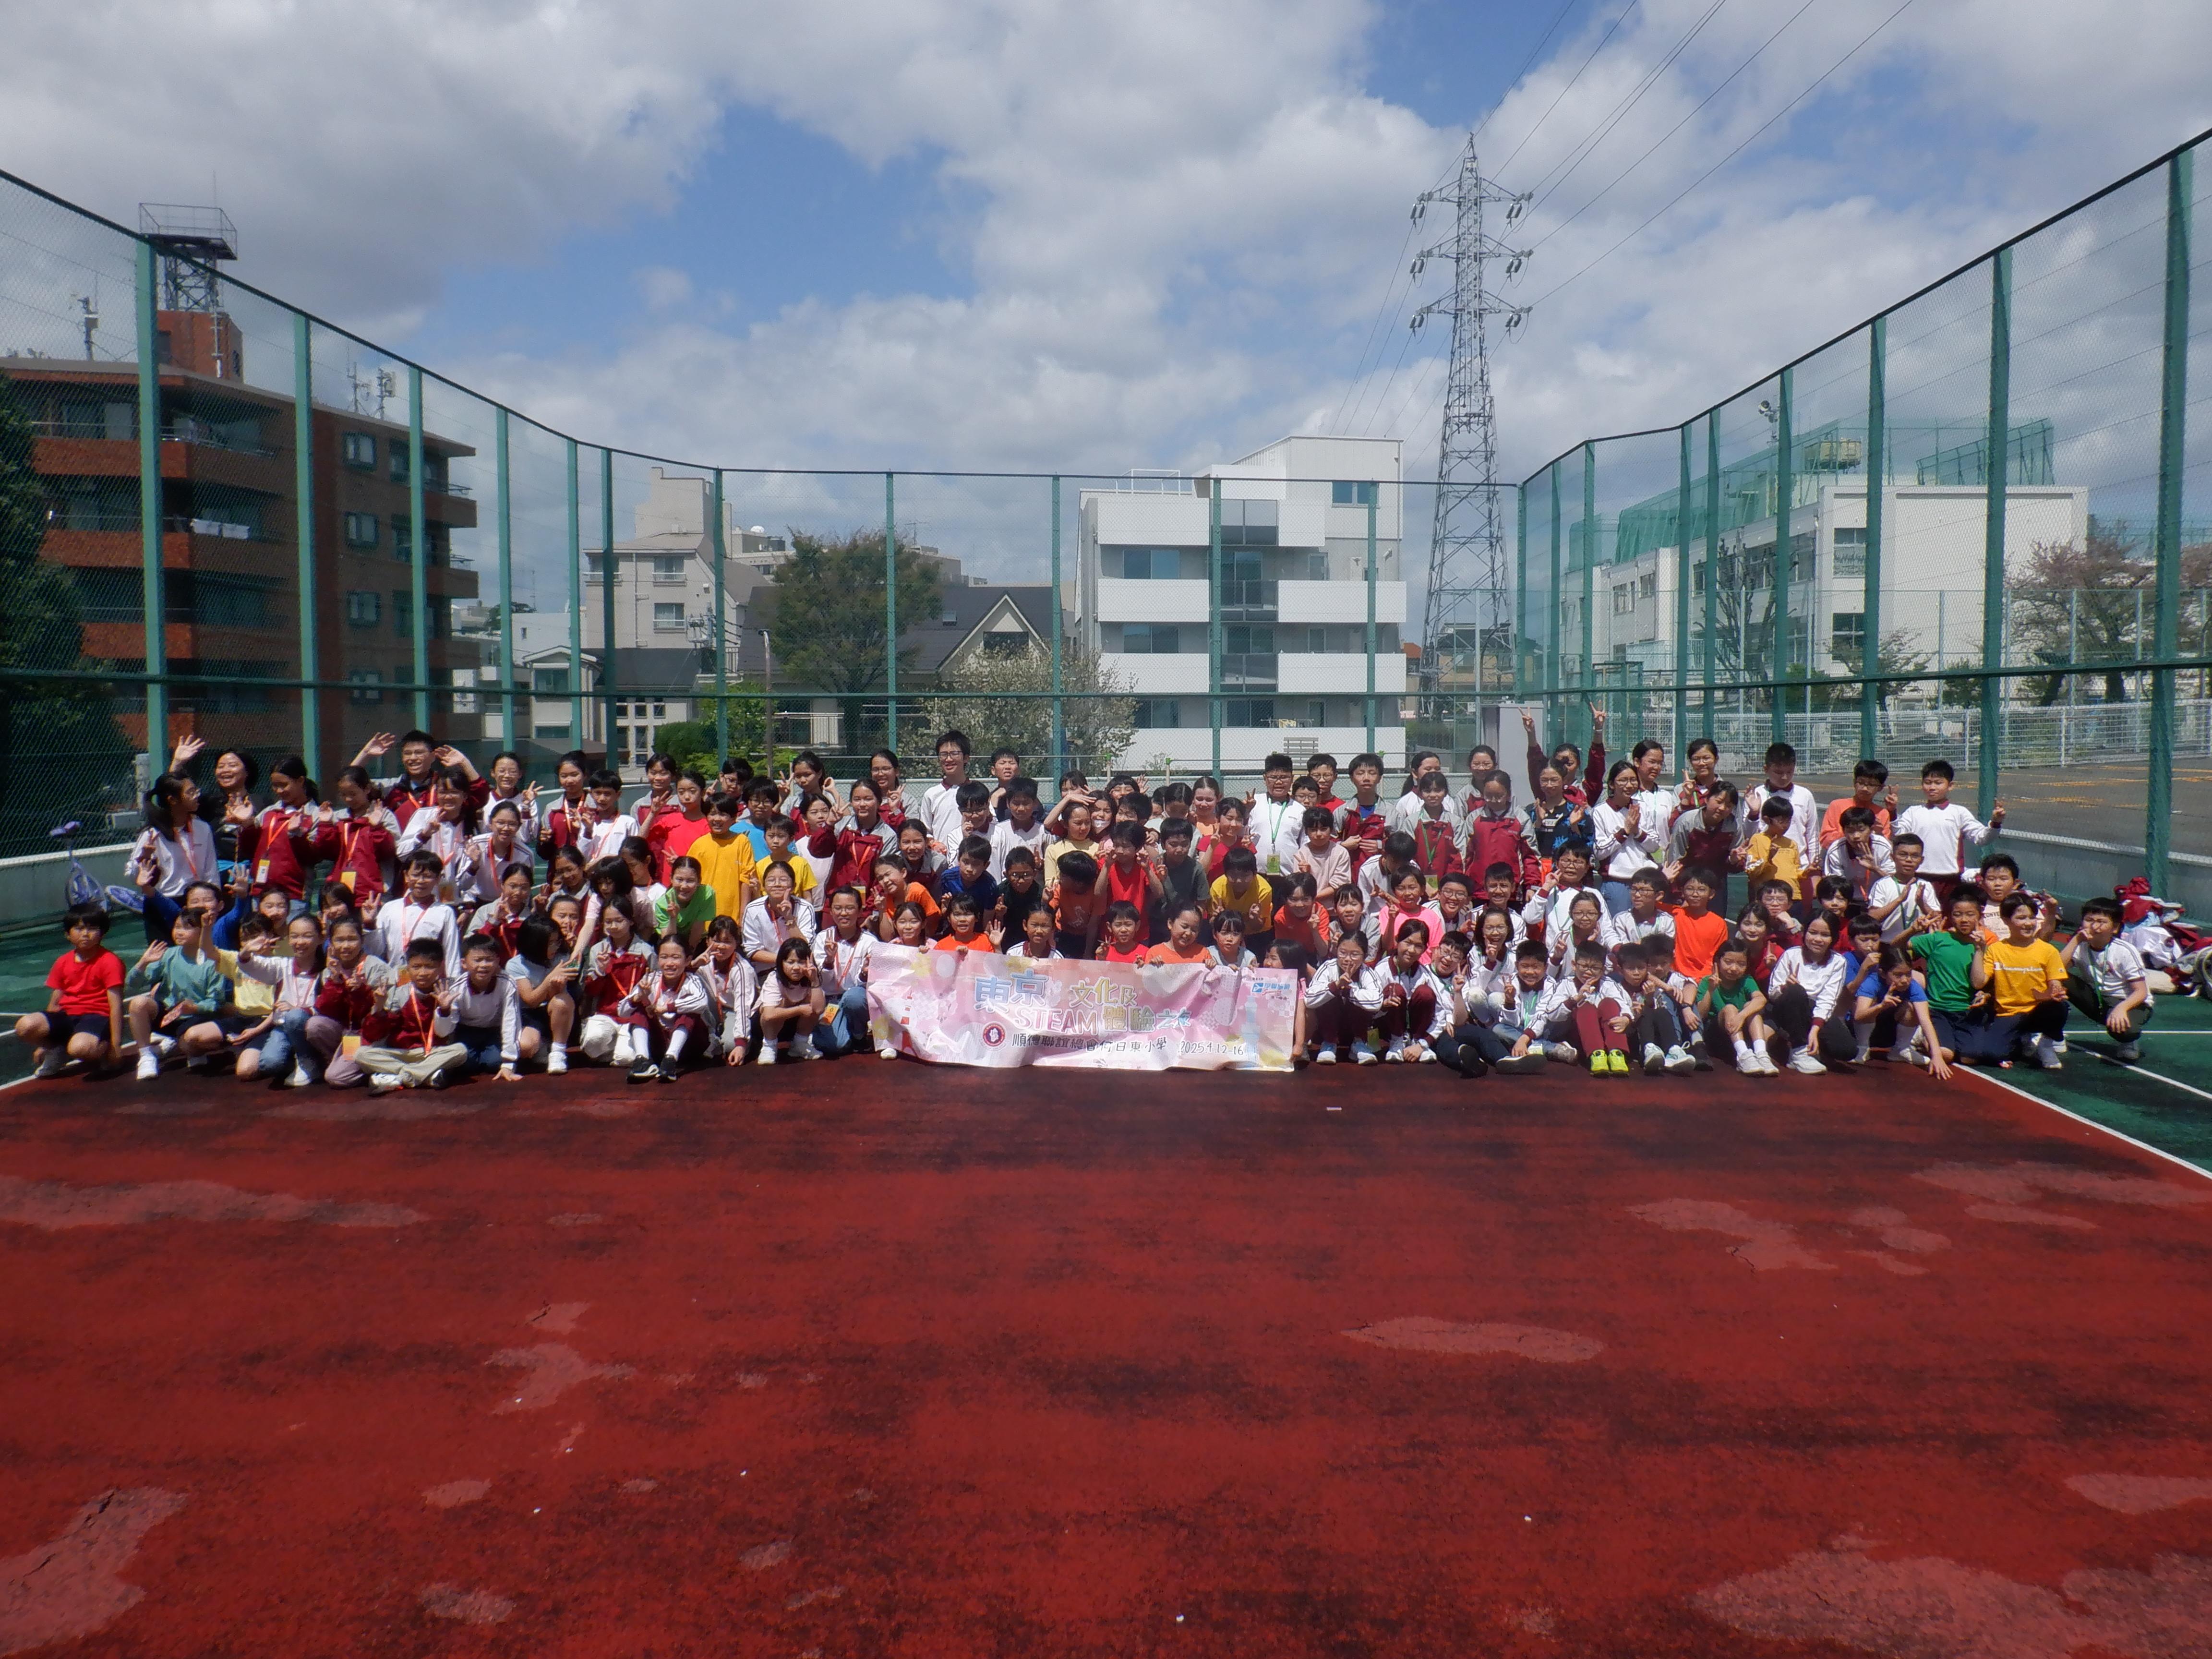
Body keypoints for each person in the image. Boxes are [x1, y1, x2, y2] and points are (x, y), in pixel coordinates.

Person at [338, 937, 470, 1094]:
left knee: (461, 1051)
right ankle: (424, 1075)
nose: (422, 973)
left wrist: (444, 1009)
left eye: (429, 967)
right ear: (407, 968)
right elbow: (374, 1035)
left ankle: (397, 1078)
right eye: (416, 967)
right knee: (360, 1054)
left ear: (441, 967)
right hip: (401, 1053)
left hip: (432, 1052)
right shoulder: (397, 992)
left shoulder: (447, 991)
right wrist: (379, 1008)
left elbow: (443, 1033)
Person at [126, 903, 237, 1078]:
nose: (180, 932)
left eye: (187, 928)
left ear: (203, 931)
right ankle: (146, 1055)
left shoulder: (213, 961)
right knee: (138, 1003)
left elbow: (215, 1002)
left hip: (196, 1019)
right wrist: (143, 963)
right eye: (177, 927)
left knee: (190, 1044)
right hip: (170, 1015)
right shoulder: (169, 954)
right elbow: (133, 984)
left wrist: (195, 1008)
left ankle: (189, 1049)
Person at [20, 901, 125, 1078]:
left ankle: (104, 1049)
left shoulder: (110, 962)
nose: (85, 934)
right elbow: (55, 1002)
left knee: (81, 1049)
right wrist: (45, 1045)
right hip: (67, 1016)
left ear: (102, 933)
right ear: (68, 935)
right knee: (25, 1026)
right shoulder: (62, 962)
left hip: (97, 1016)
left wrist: (117, 1046)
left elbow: (116, 1006)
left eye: (92, 928)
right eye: (79, 928)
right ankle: (58, 1051)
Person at [231, 913, 325, 1084]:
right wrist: (246, 951)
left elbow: (327, 1005)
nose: (300, 942)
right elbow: (250, 966)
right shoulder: (283, 965)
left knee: (295, 1016)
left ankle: (308, 1062)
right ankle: (297, 1060)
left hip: (313, 1028)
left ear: (320, 939)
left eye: (307, 936)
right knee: (269, 1065)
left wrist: (298, 1009)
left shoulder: (326, 969)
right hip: (283, 1028)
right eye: (295, 937)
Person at [1893, 759, 2003, 903]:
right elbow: (1898, 835)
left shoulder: (1959, 812)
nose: (1932, 787)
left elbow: (1982, 838)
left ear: (1950, 786)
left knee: (1949, 921)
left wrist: (1996, 823)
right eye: (1928, 782)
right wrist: (1892, 812)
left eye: (1938, 783)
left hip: (1950, 879)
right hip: (1919, 877)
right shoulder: (1913, 812)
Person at [1983, 891, 2070, 1070]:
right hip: (2008, 1013)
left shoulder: (2048, 951)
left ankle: (2046, 1044)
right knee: (1991, 1054)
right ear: (2006, 920)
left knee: (2059, 1007)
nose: (2029, 923)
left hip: (2036, 1010)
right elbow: (1983, 981)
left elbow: (2056, 982)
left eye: (2032, 918)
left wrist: (2056, 991)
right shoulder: (1995, 950)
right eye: (2021, 918)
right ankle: (2022, 1041)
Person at [132, 771, 222, 945]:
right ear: (172, 800)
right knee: (164, 956)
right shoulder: (152, 834)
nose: (197, 796)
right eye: (190, 792)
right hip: (163, 901)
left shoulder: (203, 828)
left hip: (196, 902)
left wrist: (214, 898)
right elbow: (133, 875)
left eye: (196, 790)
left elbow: (211, 869)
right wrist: (143, 860)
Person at [1907, 885, 1991, 1070]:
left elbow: (1980, 983)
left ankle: (1950, 1039)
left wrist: (1979, 950)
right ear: (1951, 917)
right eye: (1958, 915)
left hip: (1967, 1012)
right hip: (1939, 1009)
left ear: (1980, 916)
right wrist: (1912, 930)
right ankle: (1923, 1035)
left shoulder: (1988, 945)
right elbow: (1901, 948)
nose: (1964, 920)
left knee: (1971, 1058)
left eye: (1970, 915)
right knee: (1946, 1055)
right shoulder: (1939, 939)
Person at [1763, 912, 1858, 1073]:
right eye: (1813, 933)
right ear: (1805, 933)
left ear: (1834, 938)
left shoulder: (1838, 962)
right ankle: (1799, 1051)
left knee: (1847, 1050)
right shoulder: (1791, 955)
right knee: (1796, 991)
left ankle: (1810, 1044)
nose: (1818, 939)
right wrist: (1785, 987)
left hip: (1813, 1012)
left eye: (1825, 935)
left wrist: (1815, 1029)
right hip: (1785, 1007)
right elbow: (1773, 993)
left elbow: (1828, 999)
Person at [2063, 896, 2154, 1062]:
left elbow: (2141, 992)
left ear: (2115, 928)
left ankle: (2129, 1041)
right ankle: (2052, 1034)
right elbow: (2057, 969)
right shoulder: (2080, 945)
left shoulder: (2124, 951)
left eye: (2101, 922)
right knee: (2058, 980)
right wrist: (2076, 940)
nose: (2094, 926)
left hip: (2129, 1002)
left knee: (2126, 1031)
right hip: (2097, 998)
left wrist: (2122, 1008)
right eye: (2089, 920)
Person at [577, 902, 656, 1070]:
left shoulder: (646, 951)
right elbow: (590, 990)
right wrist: (601, 971)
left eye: (619, 921)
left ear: (631, 921)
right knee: (592, 1043)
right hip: (605, 1013)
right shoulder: (598, 950)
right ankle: (613, 1042)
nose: (613, 926)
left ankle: (620, 1045)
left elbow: (655, 986)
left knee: (626, 1060)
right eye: (608, 922)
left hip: (633, 1014)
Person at [623, 936, 712, 1082]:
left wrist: (668, 1008)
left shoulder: (692, 980)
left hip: (689, 1047)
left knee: (689, 1011)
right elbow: (622, 1011)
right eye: (664, 957)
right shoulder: (650, 979)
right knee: (639, 1009)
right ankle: (643, 1060)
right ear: (658, 961)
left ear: (688, 960)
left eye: (676, 958)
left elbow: (702, 1002)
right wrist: (639, 996)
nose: (669, 963)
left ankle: (671, 1059)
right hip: (660, 1044)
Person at [446, 935, 527, 1081]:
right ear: (464, 964)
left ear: (498, 962)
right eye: (477, 960)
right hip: (467, 1030)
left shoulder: (508, 983)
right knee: (465, 1064)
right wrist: (444, 1011)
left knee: (495, 1062)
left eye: (489, 960)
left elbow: (511, 1021)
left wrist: (508, 1063)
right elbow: (446, 1029)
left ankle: (485, 1057)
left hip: (493, 1030)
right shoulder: (457, 988)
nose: (484, 965)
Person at [1851, 941, 1943, 1069]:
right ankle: (1863, 1047)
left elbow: (1925, 1021)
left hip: (1891, 1033)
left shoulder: (1913, 987)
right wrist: (1881, 1006)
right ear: (1883, 973)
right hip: (1865, 1030)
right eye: (1898, 975)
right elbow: (1859, 1016)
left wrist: (1937, 1055)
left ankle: (1901, 1049)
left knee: (1913, 1008)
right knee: (1864, 1004)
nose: (1905, 980)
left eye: (1908, 974)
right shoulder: (1872, 982)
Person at [504, 915, 576, 1074]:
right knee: (525, 1048)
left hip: (555, 1011)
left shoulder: (562, 958)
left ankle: (558, 1052)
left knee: (561, 1002)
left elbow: (561, 996)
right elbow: (531, 1000)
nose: (556, 947)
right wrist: (550, 979)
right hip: (529, 1015)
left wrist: (558, 986)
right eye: (551, 943)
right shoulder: (516, 965)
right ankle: (542, 1046)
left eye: (557, 941)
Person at [1612, 941, 1697, 1075]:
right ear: (1621, 969)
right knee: (1646, 1012)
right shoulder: (1616, 988)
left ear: (1647, 968)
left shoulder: (1651, 986)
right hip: (1631, 1035)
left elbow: (1690, 986)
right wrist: (1637, 1013)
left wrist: (1650, 999)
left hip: (1652, 1033)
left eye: (1641, 968)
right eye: (1631, 969)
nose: (1636, 973)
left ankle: (1674, 1051)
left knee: (1662, 1010)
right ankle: (1648, 1050)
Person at [378, 850, 463, 980]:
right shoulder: (390, 908)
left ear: (438, 879)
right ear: (406, 876)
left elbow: (451, 952)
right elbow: (377, 948)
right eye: (416, 875)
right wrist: (369, 924)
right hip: (394, 977)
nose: (421, 881)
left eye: (428, 876)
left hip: (428, 979)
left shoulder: (444, 912)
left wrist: (453, 982)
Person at [1592, 761, 1663, 915]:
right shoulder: (1601, 811)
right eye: (1623, 780)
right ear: (1612, 785)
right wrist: (1625, 832)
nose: (1629, 785)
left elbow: (1654, 846)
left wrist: (1637, 831)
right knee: (1618, 928)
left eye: (1633, 780)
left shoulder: (1643, 808)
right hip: (1616, 881)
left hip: (1644, 880)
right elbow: (1600, 852)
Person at [1692, 938, 1770, 1074]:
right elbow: (1701, 1015)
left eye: (1741, 964)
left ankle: (1761, 1054)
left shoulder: (1747, 980)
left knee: (1752, 1007)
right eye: (1728, 962)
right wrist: (1710, 991)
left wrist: (1742, 1016)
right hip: (1718, 1033)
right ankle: (1743, 1055)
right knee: (1730, 1008)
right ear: (1718, 962)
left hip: (1740, 1029)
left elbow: (1761, 999)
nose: (1734, 969)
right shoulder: (1707, 982)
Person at [1374, 919, 1449, 1062]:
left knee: (1425, 993)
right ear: (1397, 941)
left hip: (1417, 1031)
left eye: (1418, 946)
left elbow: (1441, 1013)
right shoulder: (1382, 970)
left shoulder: (1425, 974)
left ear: (1425, 948)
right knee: (1395, 990)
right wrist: (1383, 1006)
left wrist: (1425, 1042)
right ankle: (1396, 1042)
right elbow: (1370, 1009)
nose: (1412, 950)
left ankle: (1417, 1041)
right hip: (1388, 1029)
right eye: (1407, 943)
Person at [1305, 934, 1384, 1064]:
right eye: (1343, 953)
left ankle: (1359, 1043)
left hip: (1355, 1029)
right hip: (1327, 1029)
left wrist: (1350, 991)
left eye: (1355, 954)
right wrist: (1336, 986)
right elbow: (1309, 1000)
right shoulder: (1328, 968)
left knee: (1359, 998)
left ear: (1364, 956)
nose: (1348, 959)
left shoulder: (1367, 973)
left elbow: (1376, 1003)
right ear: (1336, 951)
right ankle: (1329, 1044)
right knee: (1330, 993)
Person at [1664, 781, 1743, 903]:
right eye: (1719, 801)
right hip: (1687, 886)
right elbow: (1675, 861)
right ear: (1707, 799)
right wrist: (1680, 895)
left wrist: (1734, 861)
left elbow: (1736, 863)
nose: (1722, 808)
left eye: (1729, 805)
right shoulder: (1687, 822)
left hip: (1715, 886)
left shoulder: (1734, 826)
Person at [697, 915, 760, 1064]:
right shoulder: (703, 963)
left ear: (737, 944)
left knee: (731, 1046)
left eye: (727, 942)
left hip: (735, 1011)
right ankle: (713, 1036)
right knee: (693, 979)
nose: (721, 946)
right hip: (713, 1010)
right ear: (708, 941)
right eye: (717, 941)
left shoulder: (743, 969)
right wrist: (693, 965)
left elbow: (743, 1006)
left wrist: (741, 1044)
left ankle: (750, 1040)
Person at [1665, 868, 1730, 1008]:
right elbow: (1650, 901)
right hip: (1674, 978)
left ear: (1711, 894)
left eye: (1701, 890)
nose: (1695, 894)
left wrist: (1702, 980)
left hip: (1704, 980)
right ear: (1682, 892)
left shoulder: (1719, 923)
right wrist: (1665, 880)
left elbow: (1716, 958)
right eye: (1690, 889)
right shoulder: (1675, 914)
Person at [755, 937, 825, 1063]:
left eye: (801, 962)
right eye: (790, 962)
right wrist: (799, 1010)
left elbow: (819, 1009)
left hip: (796, 1025)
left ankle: (800, 1044)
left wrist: (815, 981)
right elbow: (769, 1015)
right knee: (776, 1006)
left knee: (814, 1000)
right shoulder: (774, 979)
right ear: (781, 962)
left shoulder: (812, 976)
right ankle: (769, 1047)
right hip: (767, 1027)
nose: (796, 967)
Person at [1742, 743, 1817, 854]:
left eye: (1790, 772)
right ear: (1766, 769)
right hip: (1766, 861)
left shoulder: (1805, 795)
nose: (1785, 777)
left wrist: (1814, 863)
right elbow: (1748, 835)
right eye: (1778, 772)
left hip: (1799, 863)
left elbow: (1813, 834)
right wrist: (1754, 813)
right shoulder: (1756, 795)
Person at [743, 861, 817, 973]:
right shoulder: (752, 909)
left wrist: (789, 918)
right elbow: (752, 950)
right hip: (766, 970)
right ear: (764, 886)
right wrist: (784, 960)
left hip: (798, 970)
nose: (777, 884)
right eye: (771, 880)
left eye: (783, 880)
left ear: (793, 886)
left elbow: (806, 947)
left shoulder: (805, 908)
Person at [1210, 847, 1276, 962]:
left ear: (1255, 873)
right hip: (1227, 934)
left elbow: (1260, 926)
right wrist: (1216, 918)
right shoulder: (1217, 888)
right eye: (1233, 875)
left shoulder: (1264, 890)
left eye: (1245, 876)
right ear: (1225, 874)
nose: (1239, 881)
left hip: (1255, 934)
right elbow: (1212, 925)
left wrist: (1254, 919)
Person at [1741, 796, 1807, 909]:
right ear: (1767, 820)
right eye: (1781, 821)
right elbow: (1752, 872)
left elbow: (1795, 870)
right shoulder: (1758, 839)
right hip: (1770, 899)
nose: (1786, 825)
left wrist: (1806, 872)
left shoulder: (1791, 844)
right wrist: (1769, 858)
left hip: (1793, 897)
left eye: (1789, 821)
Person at [1819, 758, 1898, 853]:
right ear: (1854, 782)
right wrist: (1853, 835)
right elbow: (1825, 840)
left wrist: (1879, 834)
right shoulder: (1837, 806)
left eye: (1872, 785)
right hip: (1840, 861)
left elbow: (1885, 849)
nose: (1865, 788)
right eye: (1861, 783)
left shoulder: (1882, 813)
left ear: (1881, 788)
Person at [917, 730, 974, 854]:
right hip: (940, 861)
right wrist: (934, 844)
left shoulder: (977, 791)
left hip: (973, 860)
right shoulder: (931, 794)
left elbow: (991, 824)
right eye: (943, 755)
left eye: (954, 754)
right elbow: (925, 831)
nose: (948, 759)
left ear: (966, 758)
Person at [987, 779, 1051, 880]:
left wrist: (1041, 865)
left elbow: (1051, 867)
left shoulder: (1044, 832)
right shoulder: (999, 831)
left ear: (1035, 804)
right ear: (1008, 804)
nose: (1021, 809)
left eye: (1026, 804)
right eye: (1016, 803)